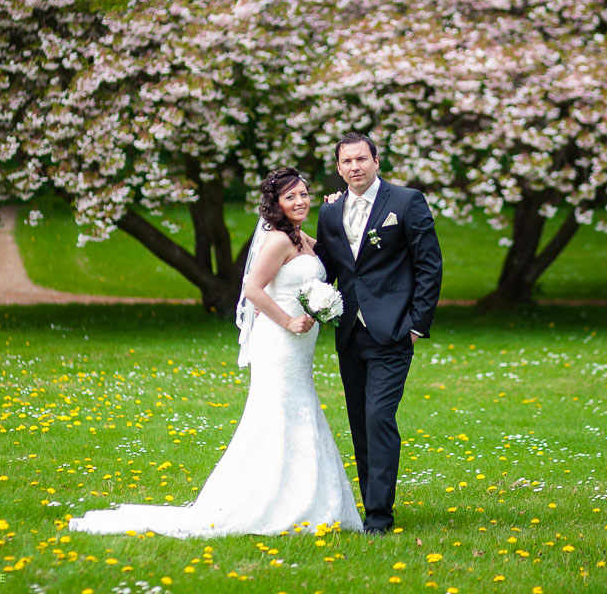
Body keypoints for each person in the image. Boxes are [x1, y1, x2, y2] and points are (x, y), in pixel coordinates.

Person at [68, 168, 362, 537]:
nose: (300, 201)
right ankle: (268, 501)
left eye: (304, 194)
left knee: (299, 406)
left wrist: (338, 212)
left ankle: (308, 498)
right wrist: (288, 321)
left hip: (301, 343)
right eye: (291, 197)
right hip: (281, 339)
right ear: (276, 203)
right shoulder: (277, 241)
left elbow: (328, 262)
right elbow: (253, 289)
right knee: (277, 411)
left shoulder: (302, 237)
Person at [314, 133, 443, 534]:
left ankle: (380, 517)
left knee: (378, 417)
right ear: (338, 168)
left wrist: (416, 326)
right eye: (346, 162)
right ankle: (371, 504)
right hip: (349, 333)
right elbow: (327, 268)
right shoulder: (330, 213)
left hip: (393, 333)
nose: (355, 167)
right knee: (359, 422)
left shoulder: (406, 202)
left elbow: (429, 266)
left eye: (361, 159)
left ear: (376, 161)